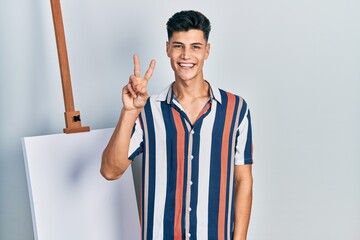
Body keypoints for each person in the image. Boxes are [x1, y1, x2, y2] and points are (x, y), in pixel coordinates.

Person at [101, 10, 253, 240]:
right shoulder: (148, 110)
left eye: (195, 47)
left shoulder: (236, 109)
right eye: (179, 46)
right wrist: (129, 111)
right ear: (168, 49)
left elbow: (243, 181)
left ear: (207, 51)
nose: (186, 55)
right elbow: (111, 171)